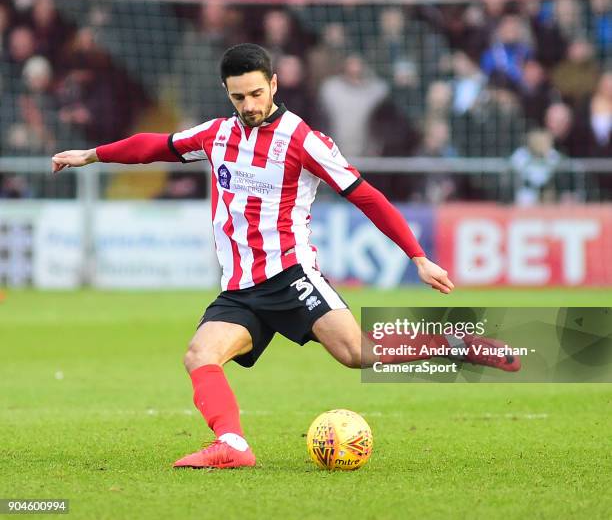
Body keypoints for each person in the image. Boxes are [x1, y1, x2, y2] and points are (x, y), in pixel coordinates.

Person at [51, 44, 520, 470]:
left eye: (257, 93)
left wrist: (417, 257)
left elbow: (367, 196)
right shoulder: (216, 135)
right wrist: (91, 155)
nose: (250, 105)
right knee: (199, 355)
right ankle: (232, 445)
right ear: (227, 93)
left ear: (274, 84)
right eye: (239, 97)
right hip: (240, 288)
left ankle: (461, 346)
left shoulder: (303, 140)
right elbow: (155, 146)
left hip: (290, 275)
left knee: (355, 354)